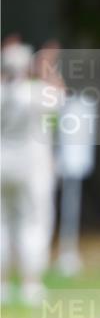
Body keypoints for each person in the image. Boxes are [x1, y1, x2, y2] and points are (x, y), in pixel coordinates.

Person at [1, 39, 63, 304]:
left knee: (2, 225)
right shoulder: (38, 93)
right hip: (33, 166)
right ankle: (30, 284)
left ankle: (2, 286)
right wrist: (47, 66)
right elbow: (61, 97)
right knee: (34, 222)